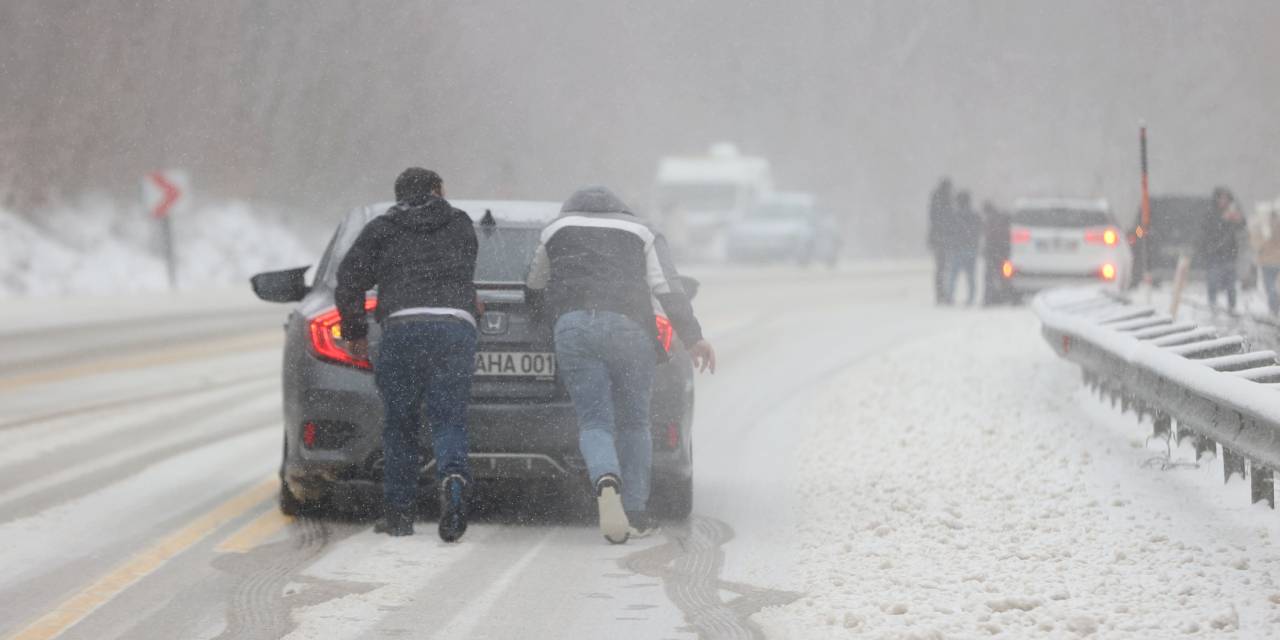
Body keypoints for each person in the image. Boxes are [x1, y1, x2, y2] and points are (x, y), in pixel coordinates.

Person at [526, 186, 715, 544]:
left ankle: (605, 478)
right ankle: (637, 512)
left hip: (574, 325)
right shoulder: (642, 231)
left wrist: (543, 320)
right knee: (633, 422)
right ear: (621, 209)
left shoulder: (556, 229)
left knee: (594, 420)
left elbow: (535, 282)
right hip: (629, 328)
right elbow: (667, 287)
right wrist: (694, 338)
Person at [335, 168, 480, 540]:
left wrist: (355, 332)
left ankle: (399, 514)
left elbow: (349, 278)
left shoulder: (382, 228)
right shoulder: (460, 224)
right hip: (453, 327)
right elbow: (464, 268)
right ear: (435, 190)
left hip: (402, 329)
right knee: (448, 418)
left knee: (400, 425)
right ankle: (452, 478)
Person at [1197, 186, 1246, 314]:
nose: (1223, 201)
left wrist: (1237, 219)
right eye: (1221, 198)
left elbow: (1242, 226)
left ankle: (1232, 306)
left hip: (1230, 253)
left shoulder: (1233, 211)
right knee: (1213, 281)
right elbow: (1206, 231)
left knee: (1231, 284)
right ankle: (1212, 303)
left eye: (1226, 198)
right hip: (1214, 254)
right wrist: (1222, 220)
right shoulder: (1210, 213)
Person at [946, 191, 982, 305]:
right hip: (971, 249)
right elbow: (979, 230)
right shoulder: (975, 216)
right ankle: (971, 298)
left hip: (957, 249)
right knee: (970, 277)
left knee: (953, 276)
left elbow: (950, 232)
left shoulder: (954, 216)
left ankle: (950, 297)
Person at [927, 178, 954, 304]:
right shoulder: (947, 201)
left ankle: (940, 294)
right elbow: (950, 220)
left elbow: (932, 220)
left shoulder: (935, 200)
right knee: (946, 268)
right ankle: (945, 294)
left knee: (940, 268)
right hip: (946, 238)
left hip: (938, 238)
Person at [981, 201, 1011, 306]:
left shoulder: (990, 220)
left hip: (992, 253)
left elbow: (988, 237)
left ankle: (988, 299)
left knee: (989, 277)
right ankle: (1005, 297)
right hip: (1004, 252)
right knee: (1004, 276)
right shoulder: (1002, 219)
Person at [1252, 211, 1280, 315]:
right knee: (1274, 287)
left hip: (1268, 261)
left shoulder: (1264, 229)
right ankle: (1274, 308)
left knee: (1270, 287)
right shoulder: (1272, 228)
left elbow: (1258, 244)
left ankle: (1274, 309)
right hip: (1274, 260)